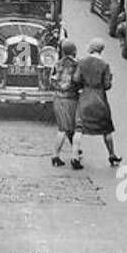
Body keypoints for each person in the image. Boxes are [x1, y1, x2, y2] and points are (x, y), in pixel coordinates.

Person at [73, 38, 120, 170]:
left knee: (79, 128)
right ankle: (112, 155)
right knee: (107, 130)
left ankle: (74, 157)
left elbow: (76, 79)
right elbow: (107, 85)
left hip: (85, 98)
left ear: (91, 48)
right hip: (100, 100)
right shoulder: (105, 65)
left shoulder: (82, 62)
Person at [50, 39, 82, 167]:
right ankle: (66, 155)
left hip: (58, 98)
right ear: (74, 51)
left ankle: (56, 155)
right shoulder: (77, 64)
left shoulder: (57, 64)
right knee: (71, 128)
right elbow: (79, 80)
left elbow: (51, 80)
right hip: (71, 98)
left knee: (62, 127)